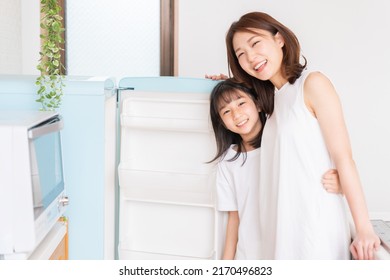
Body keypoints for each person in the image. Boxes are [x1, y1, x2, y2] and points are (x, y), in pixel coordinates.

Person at [221, 11, 381, 260]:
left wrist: (364, 228)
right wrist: (221, 86)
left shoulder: (312, 84)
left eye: (255, 43)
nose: (251, 57)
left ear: (280, 39)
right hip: (282, 233)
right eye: (241, 54)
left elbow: (344, 158)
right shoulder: (272, 105)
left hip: (315, 231)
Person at [209, 78, 343, 260]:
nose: (236, 114)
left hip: (288, 248)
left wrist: (340, 184)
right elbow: (235, 217)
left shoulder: (282, 143)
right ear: (222, 122)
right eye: (226, 111)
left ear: (258, 104)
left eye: (241, 103)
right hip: (248, 256)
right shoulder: (227, 162)